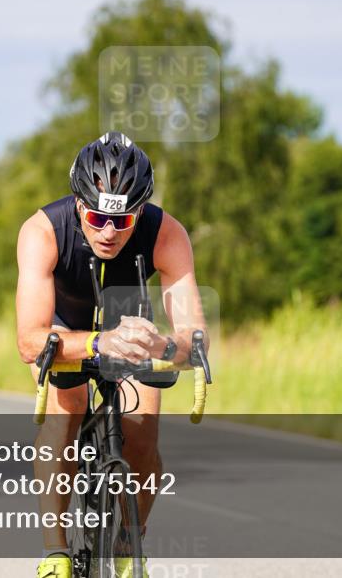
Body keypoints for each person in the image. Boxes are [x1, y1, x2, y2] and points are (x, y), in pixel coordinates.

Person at [16, 132, 207, 578]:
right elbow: (29, 339)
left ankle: (127, 542)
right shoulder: (42, 231)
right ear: (79, 204)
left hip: (134, 324)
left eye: (122, 222)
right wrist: (99, 343)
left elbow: (195, 336)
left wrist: (162, 346)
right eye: (98, 216)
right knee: (66, 418)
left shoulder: (167, 233)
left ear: (140, 212)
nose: (107, 232)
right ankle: (56, 552)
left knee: (142, 435)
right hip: (65, 327)